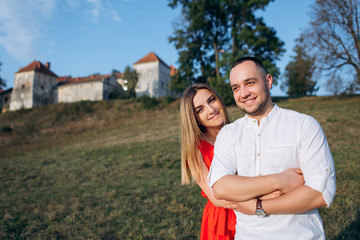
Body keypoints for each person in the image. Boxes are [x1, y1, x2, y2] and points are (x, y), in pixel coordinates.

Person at [208, 57, 336, 239]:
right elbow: (220, 187)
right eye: (236, 88)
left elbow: (320, 193)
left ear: (268, 81)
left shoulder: (304, 124)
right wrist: (280, 181)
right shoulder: (228, 134)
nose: (243, 93)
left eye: (250, 83)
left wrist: (258, 207)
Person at [180, 83, 305, 240]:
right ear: (194, 118)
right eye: (200, 110)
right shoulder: (196, 149)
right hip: (223, 219)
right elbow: (216, 197)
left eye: (212, 100)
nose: (211, 110)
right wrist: (267, 197)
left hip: (253, 213)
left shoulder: (240, 131)